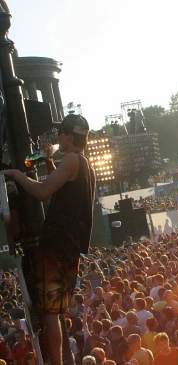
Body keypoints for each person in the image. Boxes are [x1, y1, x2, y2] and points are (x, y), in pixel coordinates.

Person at [3, 114, 95, 365]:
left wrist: (15, 174)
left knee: (50, 311)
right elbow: (62, 191)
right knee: (55, 309)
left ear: (68, 135)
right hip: (70, 245)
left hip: (56, 244)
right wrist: (49, 163)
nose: (57, 138)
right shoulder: (82, 163)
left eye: (60, 133)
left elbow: (43, 192)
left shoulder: (72, 160)